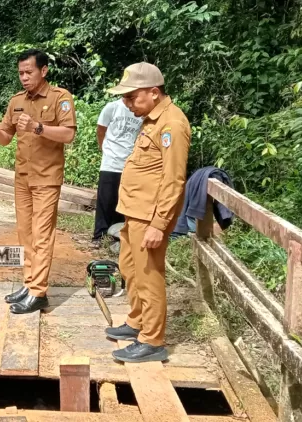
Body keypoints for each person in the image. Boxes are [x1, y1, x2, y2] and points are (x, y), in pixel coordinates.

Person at [103, 63, 191, 363]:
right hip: (134, 212)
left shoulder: (172, 125)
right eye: (125, 98)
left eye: (132, 97)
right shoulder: (152, 119)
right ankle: (137, 321)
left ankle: (152, 340)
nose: (127, 103)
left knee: (149, 275)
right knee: (130, 269)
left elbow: (174, 178)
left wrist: (159, 223)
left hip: (150, 216)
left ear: (154, 92)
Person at [0, 49, 77, 314]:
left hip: (47, 178)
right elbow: (6, 138)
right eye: (20, 73)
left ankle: (38, 292)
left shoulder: (60, 98)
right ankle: (29, 284)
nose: (24, 78)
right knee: (25, 233)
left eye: (29, 72)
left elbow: (68, 135)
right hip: (23, 178)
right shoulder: (16, 101)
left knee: (42, 234)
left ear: (44, 70)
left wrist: (38, 127)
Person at [92, 99, 143, 244]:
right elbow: (101, 129)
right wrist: (105, 149)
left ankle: (117, 236)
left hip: (129, 164)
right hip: (110, 162)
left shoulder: (140, 112)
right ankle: (99, 235)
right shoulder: (112, 107)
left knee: (123, 201)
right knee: (105, 200)